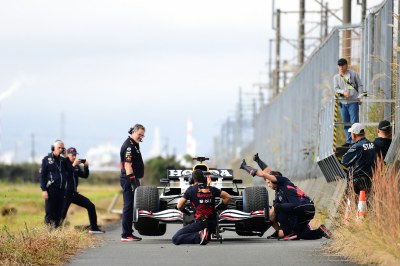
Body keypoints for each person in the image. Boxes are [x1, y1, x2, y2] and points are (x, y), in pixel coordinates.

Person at [240, 156, 332, 241]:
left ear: (274, 179)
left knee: (277, 207)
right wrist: (258, 160)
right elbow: (267, 172)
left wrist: (245, 167)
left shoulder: (283, 181)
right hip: (299, 212)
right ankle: (321, 231)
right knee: (302, 234)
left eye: (269, 182)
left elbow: (264, 174)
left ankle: (288, 232)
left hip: (304, 206)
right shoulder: (278, 192)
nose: (268, 185)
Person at [172, 169, 232, 245]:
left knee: (176, 238)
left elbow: (179, 206)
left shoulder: (190, 190)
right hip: (213, 224)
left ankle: (199, 237)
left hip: (200, 224)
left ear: (192, 180)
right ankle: (204, 235)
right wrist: (217, 208)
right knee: (204, 231)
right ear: (204, 179)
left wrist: (187, 213)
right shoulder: (212, 189)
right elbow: (228, 197)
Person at [61, 147, 105, 234]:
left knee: (91, 206)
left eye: (75, 155)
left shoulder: (76, 165)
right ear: (68, 155)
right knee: (62, 214)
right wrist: (73, 165)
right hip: (66, 194)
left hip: (74, 194)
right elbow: (66, 175)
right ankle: (55, 232)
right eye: (72, 155)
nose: (74, 157)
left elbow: (84, 175)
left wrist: (86, 166)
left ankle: (94, 228)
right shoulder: (64, 163)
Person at [120, 124, 146, 242]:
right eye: (140, 134)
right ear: (133, 132)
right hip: (129, 179)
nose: (142, 137)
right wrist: (133, 183)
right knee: (128, 206)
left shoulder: (135, 144)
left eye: (143, 135)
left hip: (133, 178)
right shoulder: (129, 146)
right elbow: (127, 166)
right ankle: (126, 234)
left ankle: (128, 232)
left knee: (132, 206)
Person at [39, 140, 71, 228]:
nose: (61, 149)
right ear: (53, 148)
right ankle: (47, 235)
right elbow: (42, 176)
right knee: (50, 213)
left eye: (62, 148)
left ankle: (56, 234)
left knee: (59, 213)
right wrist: (44, 190)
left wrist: (66, 157)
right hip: (51, 190)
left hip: (61, 190)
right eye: (59, 148)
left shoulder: (63, 160)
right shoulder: (46, 159)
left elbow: (70, 171)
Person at [333, 58, 365, 146]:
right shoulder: (336, 77)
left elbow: (360, 85)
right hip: (343, 102)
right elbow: (335, 89)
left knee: (354, 121)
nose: (341, 67)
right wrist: (343, 92)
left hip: (353, 101)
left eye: (343, 65)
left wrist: (360, 97)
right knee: (346, 122)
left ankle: (356, 140)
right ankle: (349, 141)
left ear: (346, 66)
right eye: (339, 66)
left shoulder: (353, 74)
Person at [341, 123, 376, 195]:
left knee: (358, 203)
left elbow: (344, 161)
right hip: (370, 179)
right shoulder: (372, 144)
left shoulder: (357, 147)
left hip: (358, 181)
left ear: (354, 134)